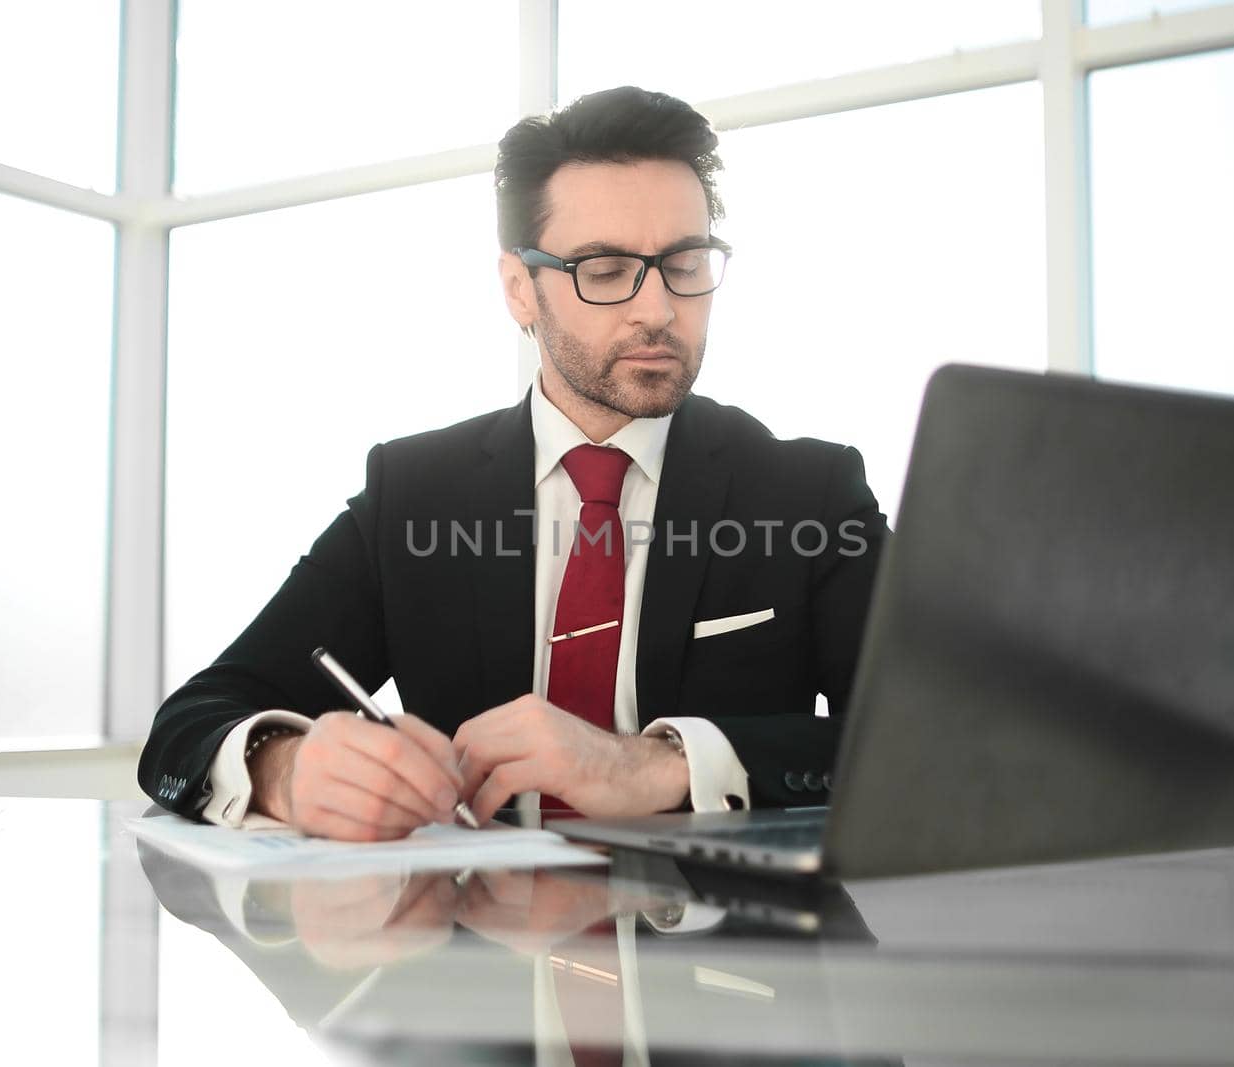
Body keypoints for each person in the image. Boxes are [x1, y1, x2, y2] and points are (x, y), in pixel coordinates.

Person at [137, 85, 887, 840]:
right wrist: (285, 772)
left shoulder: (810, 498)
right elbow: (194, 720)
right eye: (604, 269)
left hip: (725, 941)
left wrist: (657, 766)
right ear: (520, 290)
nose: (658, 309)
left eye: (685, 263)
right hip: (471, 940)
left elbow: (934, 747)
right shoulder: (415, 495)